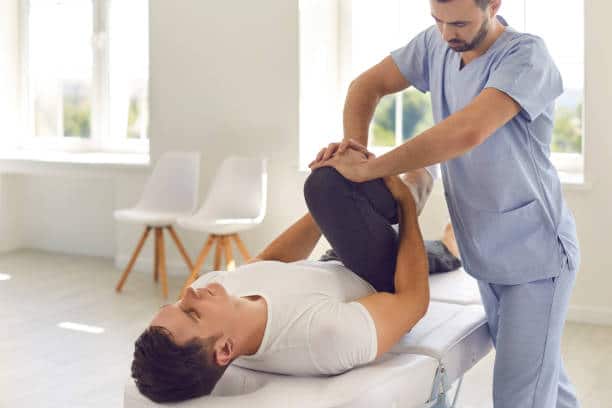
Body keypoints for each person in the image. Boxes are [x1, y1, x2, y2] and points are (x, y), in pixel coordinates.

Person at [309, 0, 580, 407]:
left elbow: (467, 131)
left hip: (535, 257)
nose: (447, 33)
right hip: (484, 252)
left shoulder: (526, 56)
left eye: (458, 22)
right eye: (436, 21)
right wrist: (355, 149)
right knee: (545, 382)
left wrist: (373, 169)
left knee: (518, 397)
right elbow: (366, 86)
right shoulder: (436, 45)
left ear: (494, 6)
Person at [130, 150, 462, 403]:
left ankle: (440, 231)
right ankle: (423, 187)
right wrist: (403, 202)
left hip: (332, 264)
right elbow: (412, 303)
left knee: (329, 187)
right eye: (191, 312)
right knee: (328, 184)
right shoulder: (322, 338)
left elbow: (268, 263)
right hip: (382, 280)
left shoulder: (215, 300)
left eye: (176, 302)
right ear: (225, 350)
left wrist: (323, 215)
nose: (189, 292)